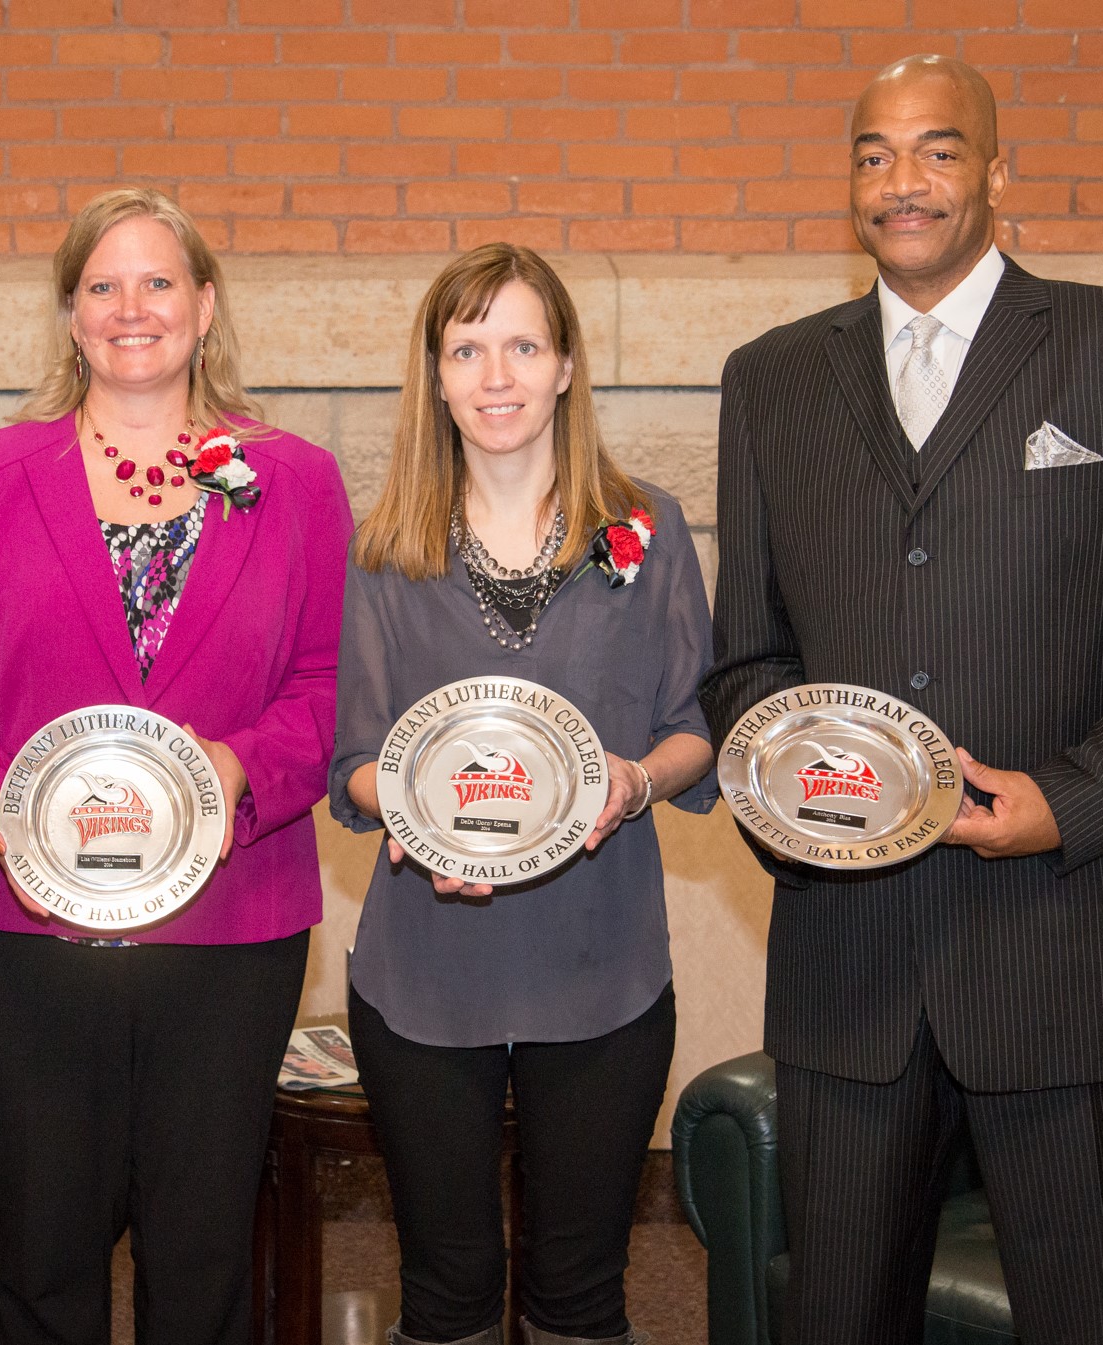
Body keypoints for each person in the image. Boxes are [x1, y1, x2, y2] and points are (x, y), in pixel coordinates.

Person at [701, 55, 1103, 1344]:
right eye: (871, 153)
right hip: (847, 977)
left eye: (937, 149)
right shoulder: (770, 378)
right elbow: (746, 658)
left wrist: (1064, 803)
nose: (900, 181)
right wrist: (797, 806)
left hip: (1065, 961)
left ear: (996, 172)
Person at [0, 186, 352, 1345]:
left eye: (156, 281)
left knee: (203, 1264)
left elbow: (328, 686)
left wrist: (236, 769)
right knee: (39, 1259)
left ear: (202, 305)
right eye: (101, 285)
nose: (129, 307)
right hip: (24, 925)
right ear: (70, 314)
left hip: (227, 933)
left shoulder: (295, 479)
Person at [330, 243, 718, 1345]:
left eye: (520, 344)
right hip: (423, 977)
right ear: (435, 376)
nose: (493, 375)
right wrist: (403, 811)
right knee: (445, 1300)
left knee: (580, 1301)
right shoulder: (383, 550)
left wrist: (637, 780)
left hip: (602, 972)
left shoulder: (644, 531)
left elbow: (694, 726)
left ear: (562, 367)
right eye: (466, 348)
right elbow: (350, 760)